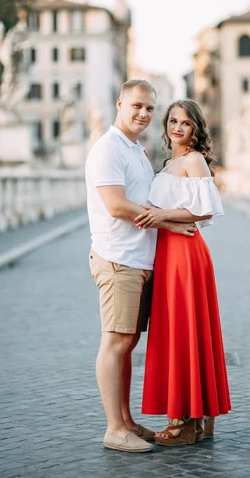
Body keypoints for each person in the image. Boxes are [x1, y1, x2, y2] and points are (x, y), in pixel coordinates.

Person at [85, 81, 198, 453]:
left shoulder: (135, 149)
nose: (143, 114)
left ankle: (127, 420)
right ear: (120, 103)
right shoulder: (107, 149)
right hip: (119, 260)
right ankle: (114, 429)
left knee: (128, 342)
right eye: (136, 106)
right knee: (115, 342)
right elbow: (116, 206)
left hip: (139, 260)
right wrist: (168, 221)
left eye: (150, 109)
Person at [137, 99, 231, 446]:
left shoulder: (193, 160)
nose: (177, 128)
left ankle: (183, 421)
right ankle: (200, 415)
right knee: (180, 331)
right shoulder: (170, 162)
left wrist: (161, 217)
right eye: (173, 121)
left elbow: (205, 210)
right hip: (168, 252)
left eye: (185, 123)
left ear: (196, 129)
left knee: (183, 331)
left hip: (186, 254)